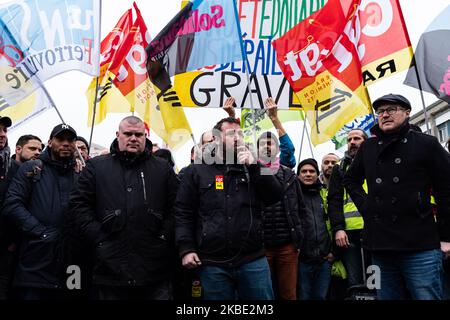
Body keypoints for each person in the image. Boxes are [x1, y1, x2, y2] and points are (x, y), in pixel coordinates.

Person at [343, 94, 450, 300]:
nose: (385, 115)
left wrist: (446, 236)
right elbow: (350, 180)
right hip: (380, 246)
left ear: (407, 112)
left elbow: (446, 190)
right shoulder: (368, 147)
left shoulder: (427, 144)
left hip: (421, 245)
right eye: (380, 112)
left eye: (391, 109)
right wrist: (367, 206)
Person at [68, 116, 179, 300]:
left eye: (138, 134)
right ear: (118, 135)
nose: (133, 138)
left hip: (154, 268)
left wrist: (163, 235)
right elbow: (79, 205)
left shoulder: (162, 168)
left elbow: (178, 207)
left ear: (145, 136)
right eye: (128, 134)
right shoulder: (97, 167)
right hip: (109, 268)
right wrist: (98, 236)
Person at [175, 117, 283, 300]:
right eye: (232, 134)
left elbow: (275, 196)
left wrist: (255, 166)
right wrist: (186, 248)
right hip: (212, 262)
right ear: (216, 138)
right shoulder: (197, 170)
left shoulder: (254, 164)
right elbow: (183, 212)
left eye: (240, 134)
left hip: (252, 259)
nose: (238, 138)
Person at [2, 124, 79, 300]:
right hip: (36, 259)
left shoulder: (82, 174)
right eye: (61, 139)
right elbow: (12, 205)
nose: (66, 143)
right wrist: (41, 232)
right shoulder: (31, 169)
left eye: (70, 140)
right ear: (50, 142)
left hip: (72, 264)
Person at [257, 131, 305, 300]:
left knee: (288, 294)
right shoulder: (251, 173)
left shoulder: (289, 174)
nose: (267, 146)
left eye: (270, 143)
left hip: (287, 246)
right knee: (264, 295)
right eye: (263, 143)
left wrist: (298, 240)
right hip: (260, 247)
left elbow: (300, 209)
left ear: (277, 149)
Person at [328, 129, 368, 290]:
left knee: (376, 280)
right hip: (349, 235)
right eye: (349, 139)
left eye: (357, 138)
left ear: (366, 141)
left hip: (375, 232)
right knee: (355, 283)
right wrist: (338, 229)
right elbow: (334, 200)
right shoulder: (339, 168)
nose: (352, 142)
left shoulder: (376, 162)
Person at [296, 158, 333, 300]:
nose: (308, 174)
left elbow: (333, 222)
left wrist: (333, 252)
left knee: (321, 297)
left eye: (312, 171)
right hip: (302, 261)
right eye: (304, 171)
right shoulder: (293, 195)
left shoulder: (325, 194)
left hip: (325, 259)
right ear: (298, 175)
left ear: (317, 174)